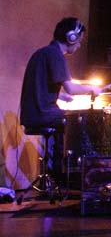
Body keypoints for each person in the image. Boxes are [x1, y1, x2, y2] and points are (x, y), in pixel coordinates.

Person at [20, 17, 103, 178]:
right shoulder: (55, 54)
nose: (79, 45)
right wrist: (92, 88)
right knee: (84, 120)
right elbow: (72, 88)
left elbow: (42, 86)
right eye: (79, 40)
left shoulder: (43, 52)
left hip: (33, 114)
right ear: (71, 37)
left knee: (71, 117)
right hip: (43, 114)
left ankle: (57, 171)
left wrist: (61, 96)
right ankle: (80, 174)